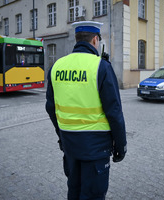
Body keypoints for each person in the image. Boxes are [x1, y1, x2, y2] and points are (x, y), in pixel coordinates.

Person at [45, 21, 127, 200]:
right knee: (92, 196)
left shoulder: (57, 66)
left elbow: (50, 107)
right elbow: (114, 112)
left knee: (74, 190)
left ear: (77, 39)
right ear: (95, 40)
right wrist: (121, 146)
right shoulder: (101, 67)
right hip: (96, 149)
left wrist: (61, 134)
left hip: (69, 146)